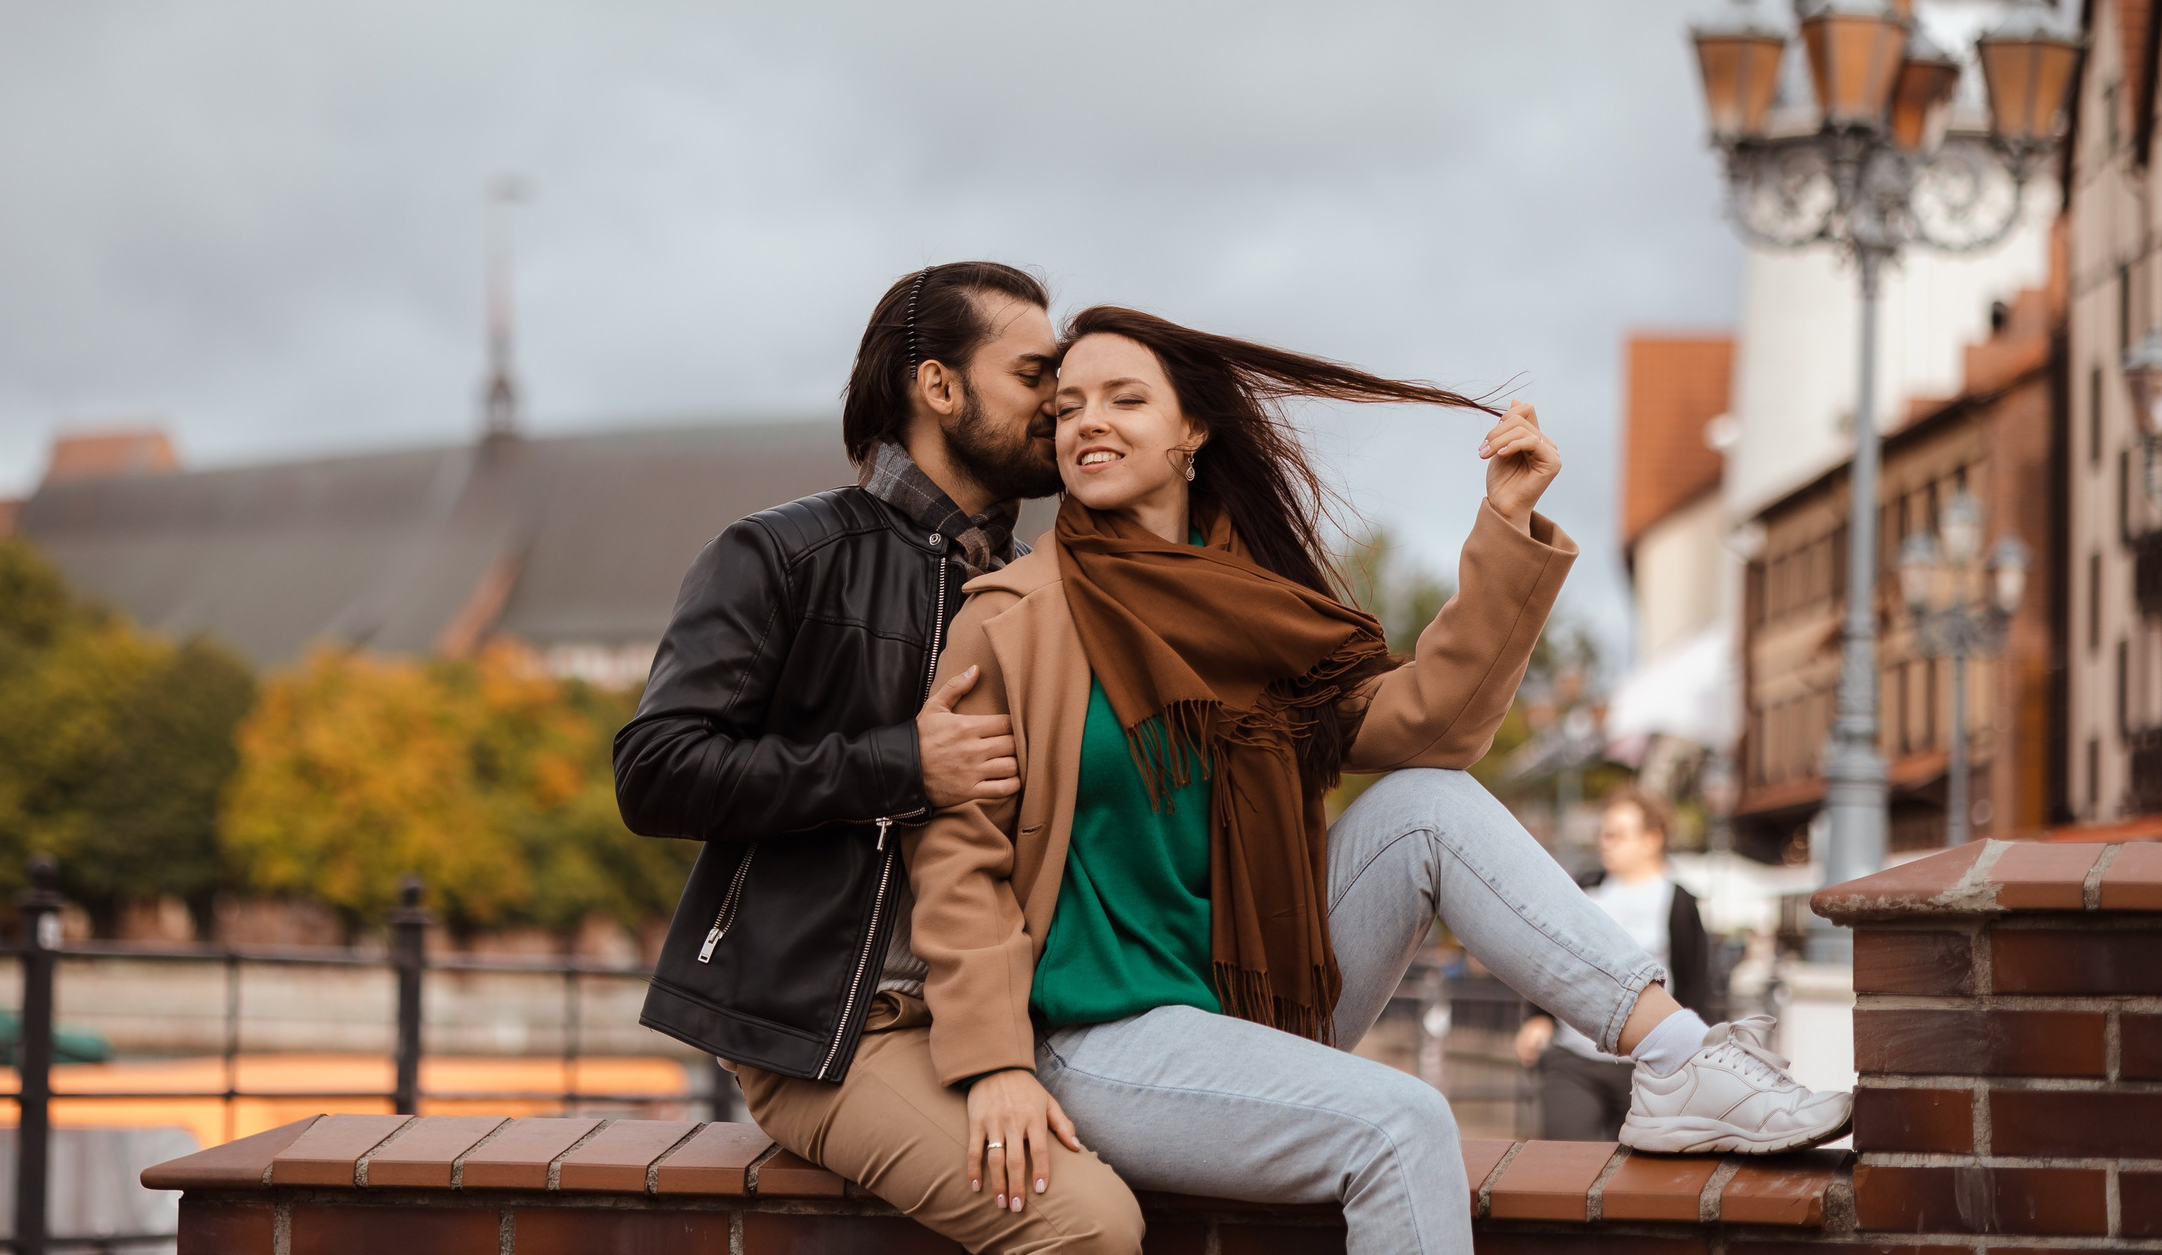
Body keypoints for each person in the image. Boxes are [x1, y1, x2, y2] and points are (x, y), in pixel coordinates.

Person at [905, 308, 1853, 1255]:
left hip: (1255, 1004)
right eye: (1068, 406)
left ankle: (1678, 1057)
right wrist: (994, 1063)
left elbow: (1432, 723)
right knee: (1402, 1121)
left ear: (1192, 430)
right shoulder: (1013, 620)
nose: (1088, 423)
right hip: (1103, 1036)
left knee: (1423, 806)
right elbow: (960, 859)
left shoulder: (1254, 608)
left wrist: (1506, 525)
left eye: (1124, 398)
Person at [618, 262, 1134, 1251]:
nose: (1057, 405)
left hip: (1016, 1016)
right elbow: (655, 769)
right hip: (839, 1035)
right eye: (1034, 375)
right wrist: (900, 766)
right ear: (937, 387)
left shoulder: (1038, 587)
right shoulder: (783, 555)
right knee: (1086, 1227)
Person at [1514, 788, 1725, 1142]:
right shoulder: (1585, 888)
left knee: (1637, 1180)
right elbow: (1552, 956)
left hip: (1649, 1069)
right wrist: (1537, 1018)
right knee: (1565, 1163)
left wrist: (1694, 1054)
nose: (1604, 842)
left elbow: (1694, 983)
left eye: (1617, 834)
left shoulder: (1678, 901)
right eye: (1603, 833)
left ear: (1651, 839)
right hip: (1574, 1061)